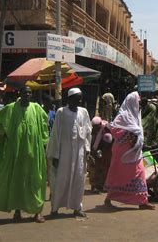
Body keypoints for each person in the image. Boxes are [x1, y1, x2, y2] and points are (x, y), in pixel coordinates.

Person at [0, 86, 49, 223]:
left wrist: (44, 144)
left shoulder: (36, 108)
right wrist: (6, 137)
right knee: (17, 180)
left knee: (35, 180)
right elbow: (0, 122)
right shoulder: (11, 108)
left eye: (30, 92)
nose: (27, 95)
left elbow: (44, 126)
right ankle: (17, 211)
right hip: (16, 152)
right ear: (20, 93)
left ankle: (37, 212)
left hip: (34, 153)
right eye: (25, 92)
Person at [104, 92, 155, 210]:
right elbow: (114, 129)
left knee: (140, 173)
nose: (140, 105)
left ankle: (142, 201)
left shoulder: (135, 115)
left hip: (134, 151)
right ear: (132, 101)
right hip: (122, 151)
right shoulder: (123, 116)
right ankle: (109, 198)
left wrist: (136, 138)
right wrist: (130, 136)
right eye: (138, 102)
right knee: (118, 175)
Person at [47, 88, 92, 218]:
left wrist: (87, 150)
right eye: (77, 98)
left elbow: (88, 131)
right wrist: (55, 155)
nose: (80, 101)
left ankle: (77, 207)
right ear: (70, 99)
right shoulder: (61, 112)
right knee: (61, 180)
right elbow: (55, 134)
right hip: (63, 154)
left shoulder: (83, 112)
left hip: (79, 153)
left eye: (80, 98)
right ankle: (55, 209)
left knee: (79, 180)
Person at [88, 116, 113, 193]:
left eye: (97, 127)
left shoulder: (106, 127)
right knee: (93, 167)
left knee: (102, 167)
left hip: (103, 148)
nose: (95, 128)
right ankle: (94, 185)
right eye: (94, 127)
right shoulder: (91, 129)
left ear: (100, 124)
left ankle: (101, 185)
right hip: (93, 148)